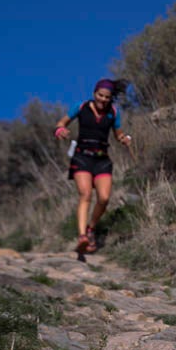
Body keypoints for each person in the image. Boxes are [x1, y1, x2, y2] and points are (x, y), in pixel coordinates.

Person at [54, 79, 132, 259]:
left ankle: (91, 228)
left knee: (104, 198)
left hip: (102, 159)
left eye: (107, 97)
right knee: (85, 194)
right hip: (82, 156)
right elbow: (61, 123)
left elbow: (118, 133)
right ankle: (82, 237)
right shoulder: (81, 107)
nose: (103, 99)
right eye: (100, 95)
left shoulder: (113, 113)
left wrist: (123, 139)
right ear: (94, 93)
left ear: (111, 98)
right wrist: (61, 131)